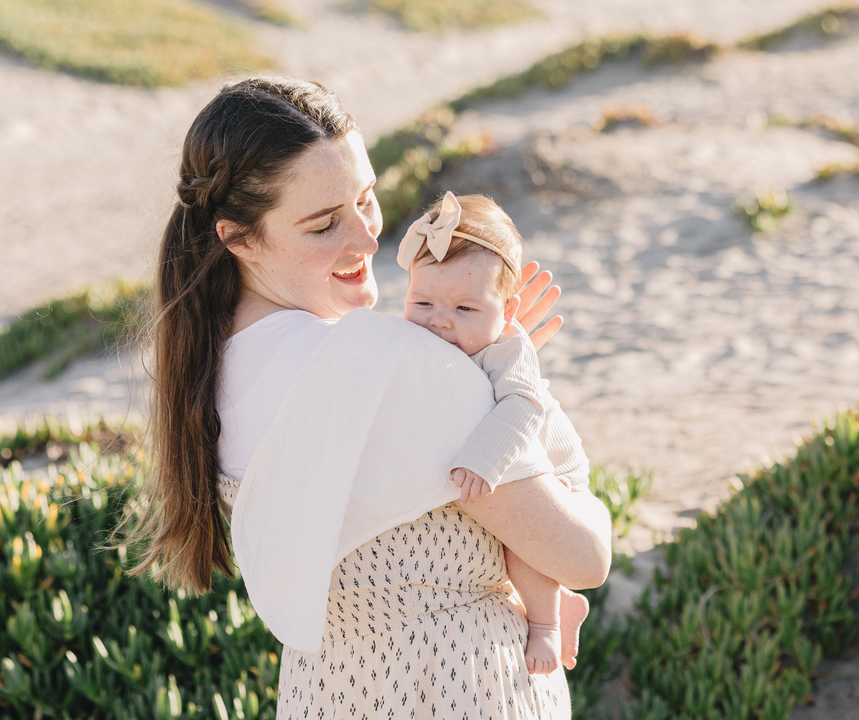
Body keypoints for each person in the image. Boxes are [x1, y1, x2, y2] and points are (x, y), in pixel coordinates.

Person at [122, 76, 612, 720]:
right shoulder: (386, 364)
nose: (366, 239)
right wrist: (507, 388)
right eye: (325, 224)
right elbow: (584, 557)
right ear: (238, 238)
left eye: (367, 200)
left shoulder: (214, 373)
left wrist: (472, 385)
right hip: (456, 694)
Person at [397, 191, 592, 675]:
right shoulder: (430, 338)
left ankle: (547, 622)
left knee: (520, 543)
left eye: (466, 309)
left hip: (555, 465)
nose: (440, 320)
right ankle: (562, 604)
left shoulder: (508, 347)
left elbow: (523, 405)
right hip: (523, 456)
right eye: (422, 301)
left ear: (507, 310)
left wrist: (484, 459)